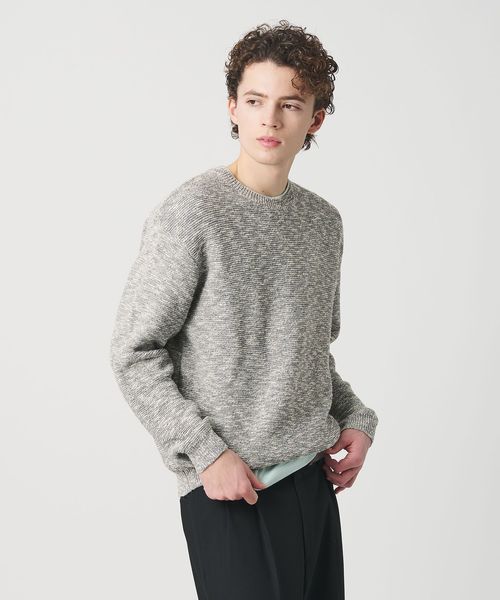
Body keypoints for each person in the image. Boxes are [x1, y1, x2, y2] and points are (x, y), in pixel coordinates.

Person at [110, 19, 378, 600]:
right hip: (234, 490)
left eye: (290, 104)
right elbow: (135, 352)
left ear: (315, 119)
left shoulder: (323, 223)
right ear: (232, 107)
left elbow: (307, 353)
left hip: (312, 484)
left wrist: (356, 417)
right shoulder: (193, 213)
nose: (269, 119)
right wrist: (207, 455)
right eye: (255, 101)